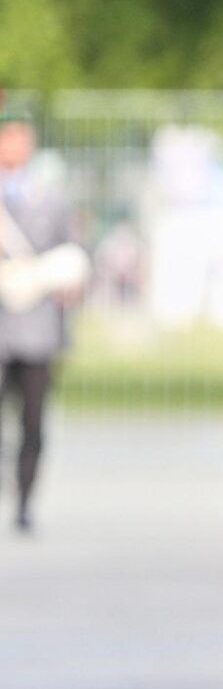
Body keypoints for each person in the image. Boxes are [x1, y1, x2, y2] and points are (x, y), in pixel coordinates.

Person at [0, 115, 80, 532]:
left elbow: (74, 250)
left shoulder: (50, 196)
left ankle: (25, 498)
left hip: (37, 327)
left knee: (33, 420)